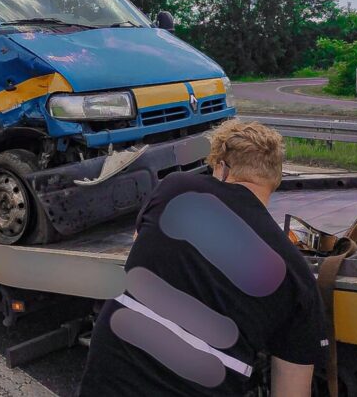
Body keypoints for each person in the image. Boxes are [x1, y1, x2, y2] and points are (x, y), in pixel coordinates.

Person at [79, 120, 328, 396]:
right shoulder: (297, 275)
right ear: (274, 180)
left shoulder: (176, 189)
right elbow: (292, 389)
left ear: (221, 167)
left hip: (112, 375)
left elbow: (139, 245)